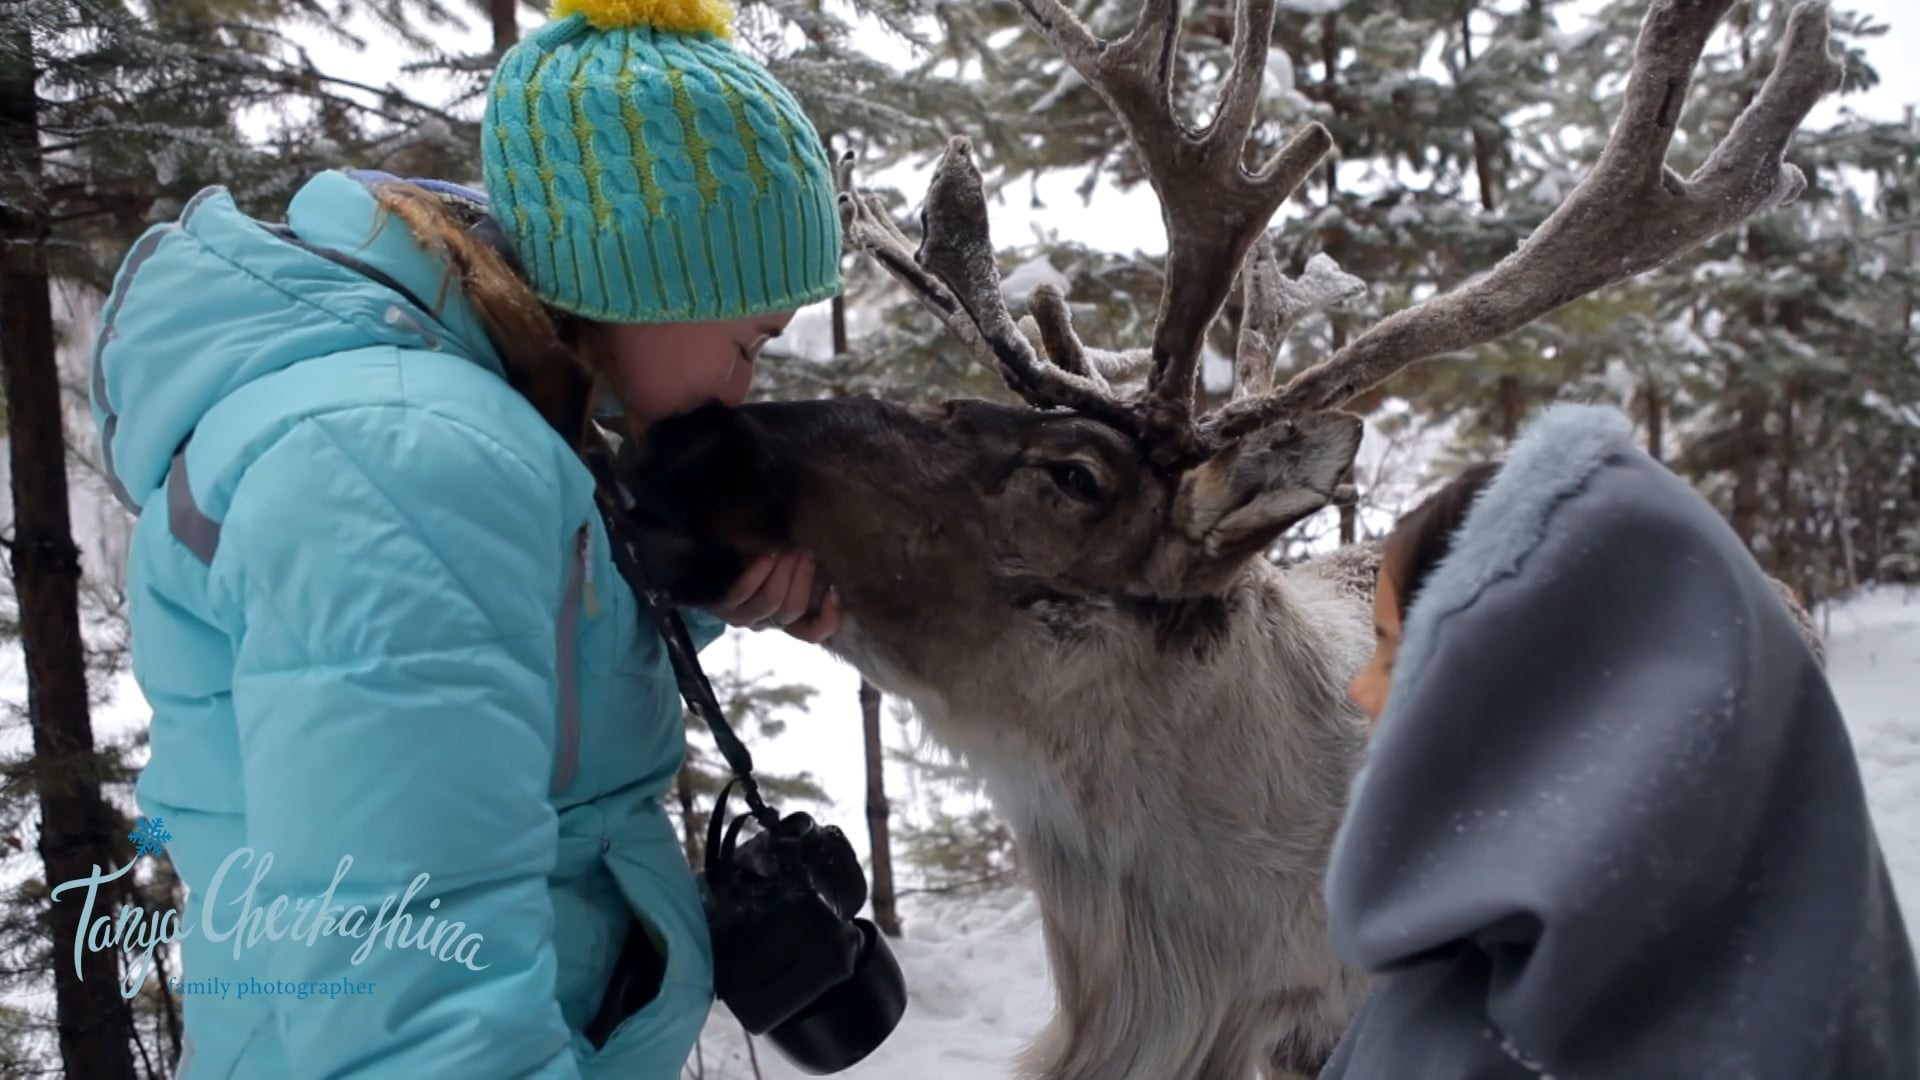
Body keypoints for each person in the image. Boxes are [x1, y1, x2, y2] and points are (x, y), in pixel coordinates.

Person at [86, 0, 846, 1075]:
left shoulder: (461, 428)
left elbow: (478, 698)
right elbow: (407, 994)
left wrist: (685, 602)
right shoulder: (401, 462)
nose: (744, 386)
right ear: (650, 274)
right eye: (747, 339)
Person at [1320, 402, 1920, 1078]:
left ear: (1519, 702)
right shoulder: (1822, 973)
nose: (1359, 689)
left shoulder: (1466, 1031)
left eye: (1393, 655)